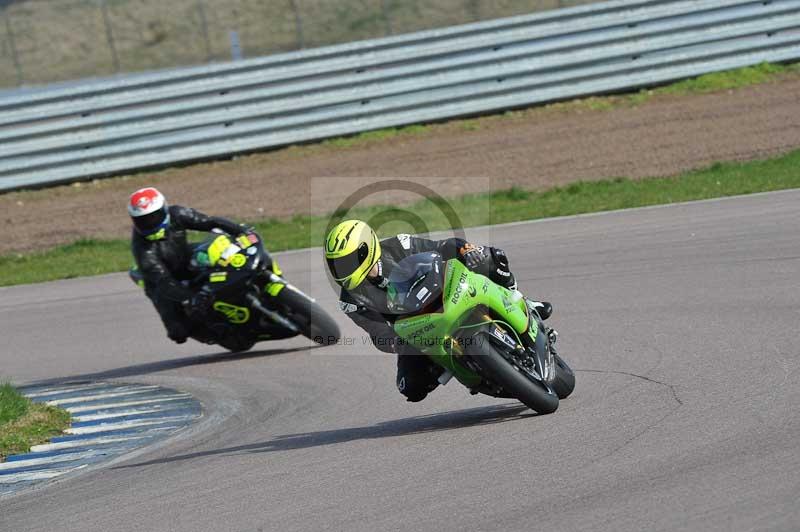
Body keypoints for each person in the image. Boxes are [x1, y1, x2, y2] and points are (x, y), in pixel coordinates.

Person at [324, 219, 552, 403]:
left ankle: (520, 298)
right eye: (337, 264)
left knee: (491, 256)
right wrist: (399, 342)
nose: (342, 269)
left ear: (367, 248)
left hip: (442, 292)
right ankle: (462, 366)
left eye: (348, 261)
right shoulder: (350, 299)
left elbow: (442, 248)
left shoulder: (398, 246)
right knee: (411, 388)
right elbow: (377, 333)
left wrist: (465, 250)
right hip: (415, 329)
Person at [128, 187, 252, 346]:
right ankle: (213, 332)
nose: (149, 223)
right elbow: (164, 281)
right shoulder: (142, 249)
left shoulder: (177, 214)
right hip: (162, 281)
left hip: (183, 258)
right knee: (178, 332)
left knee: (217, 250)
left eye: (154, 216)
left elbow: (210, 222)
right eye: (143, 220)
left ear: (164, 209)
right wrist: (190, 298)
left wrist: (242, 231)